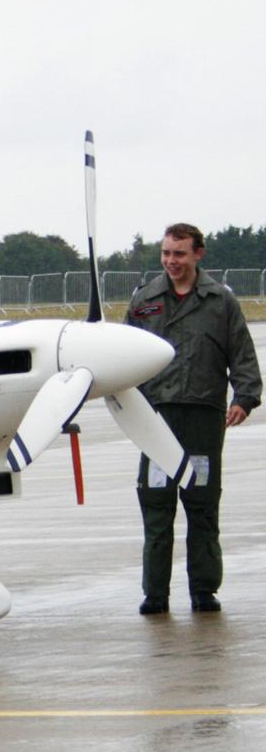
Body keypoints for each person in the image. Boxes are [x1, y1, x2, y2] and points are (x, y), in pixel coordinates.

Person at [124, 222, 260, 614]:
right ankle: (155, 593)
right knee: (156, 505)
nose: (171, 261)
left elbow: (243, 355)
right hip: (156, 420)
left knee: (201, 505)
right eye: (166, 253)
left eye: (179, 254)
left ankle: (204, 590)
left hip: (203, 419)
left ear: (198, 254)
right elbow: (124, 352)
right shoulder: (145, 301)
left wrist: (246, 397)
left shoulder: (220, 301)